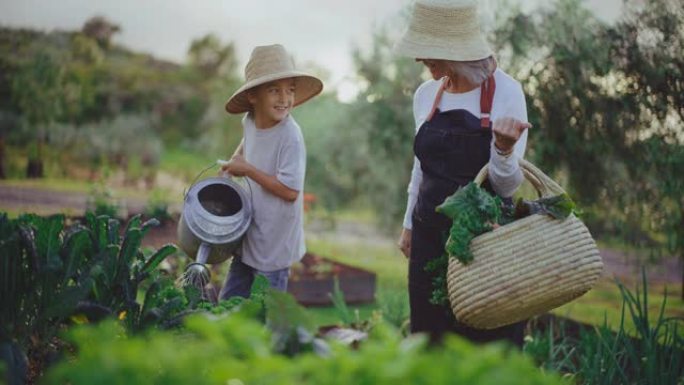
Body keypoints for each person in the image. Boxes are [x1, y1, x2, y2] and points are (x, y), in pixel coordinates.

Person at [395, 0, 531, 345]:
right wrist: (410, 223)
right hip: (429, 237)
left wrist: (503, 149)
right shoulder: (426, 94)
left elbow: (506, 186)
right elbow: (420, 167)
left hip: (482, 242)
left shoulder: (507, 92)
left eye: (426, 50)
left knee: (481, 344)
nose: (418, 59)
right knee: (429, 341)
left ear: (453, 51)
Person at [218, 44, 323, 299]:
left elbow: (290, 192)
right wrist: (233, 163)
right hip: (252, 231)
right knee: (227, 305)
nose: (284, 99)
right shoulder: (250, 121)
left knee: (269, 317)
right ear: (253, 96)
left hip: (275, 244)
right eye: (274, 90)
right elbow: (247, 142)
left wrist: (248, 170)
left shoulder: (290, 136)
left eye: (290, 90)